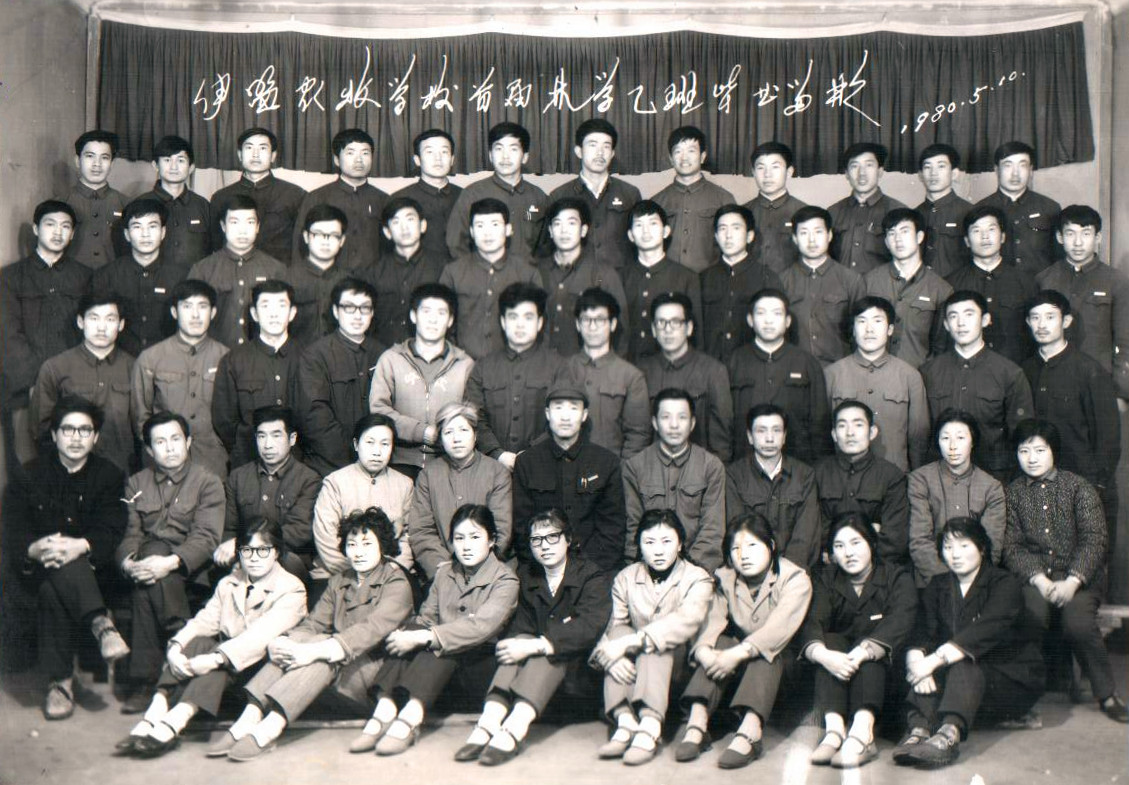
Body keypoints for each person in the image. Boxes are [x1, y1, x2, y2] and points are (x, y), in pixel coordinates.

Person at [219, 508, 415, 760]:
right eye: (352, 544)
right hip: (330, 673)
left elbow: (370, 630)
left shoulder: (396, 582)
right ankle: (250, 716)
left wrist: (313, 651)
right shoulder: (340, 580)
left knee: (322, 650)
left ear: (383, 546)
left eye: (367, 544)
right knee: (307, 641)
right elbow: (313, 624)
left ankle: (269, 729)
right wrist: (284, 642)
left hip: (369, 677)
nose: (358, 551)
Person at [113, 519, 306, 758]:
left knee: (219, 658)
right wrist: (176, 647)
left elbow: (257, 639)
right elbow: (205, 620)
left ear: (276, 552)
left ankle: (174, 722)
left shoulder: (291, 589)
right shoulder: (230, 582)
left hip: (256, 671)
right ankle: (154, 713)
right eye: (247, 550)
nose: (254, 558)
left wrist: (214, 659)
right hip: (226, 665)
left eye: (262, 550)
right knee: (197, 642)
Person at [455, 509, 612, 766]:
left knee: (547, 650)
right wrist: (522, 644)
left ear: (568, 539)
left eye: (552, 537)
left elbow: (589, 627)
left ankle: (512, 730)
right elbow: (521, 625)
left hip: (578, 679)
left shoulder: (591, 576)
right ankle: (488, 723)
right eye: (536, 540)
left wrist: (539, 645)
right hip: (534, 684)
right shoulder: (528, 575)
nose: (544, 546)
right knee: (516, 645)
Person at [364, 505, 520, 756]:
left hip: (478, 667)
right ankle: (384, 709)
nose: (466, 546)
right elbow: (427, 617)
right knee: (413, 628)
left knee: (442, 641)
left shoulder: (505, 580)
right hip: (437, 672)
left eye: (475, 537)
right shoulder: (445, 572)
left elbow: (480, 627)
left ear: (491, 540)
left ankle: (409, 720)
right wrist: (412, 634)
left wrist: (427, 637)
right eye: (459, 538)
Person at [9, 400, 129, 720]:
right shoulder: (30, 474)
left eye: (85, 430)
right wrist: (33, 549)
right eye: (68, 430)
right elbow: (12, 527)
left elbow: (112, 527)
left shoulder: (109, 475)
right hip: (39, 567)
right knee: (51, 578)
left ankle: (59, 684)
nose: (76, 438)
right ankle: (101, 625)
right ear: (54, 435)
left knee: (56, 582)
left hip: (93, 570)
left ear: (96, 437)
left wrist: (82, 545)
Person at [892, 517, 1044, 769]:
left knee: (964, 661)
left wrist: (933, 661)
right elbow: (923, 631)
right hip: (960, 687)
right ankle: (919, 729)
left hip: (1009, 681)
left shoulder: (1004, 583)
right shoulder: (938, 585)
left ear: (982, 548)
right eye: (948, 547)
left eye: (964, 545)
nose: (955, 554)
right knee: (931, 667)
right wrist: (918, 664)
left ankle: (948, 735)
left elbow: (985, 630)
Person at [1003, 419, 1128, 724]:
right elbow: (1011, 546)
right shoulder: (1012, 494)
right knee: (1031, 616)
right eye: (1024, 451)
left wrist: (1072, 581)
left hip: (1079, 579)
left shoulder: (1078, 487)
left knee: (1078, 624)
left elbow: (1094, 539)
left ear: (1053, 451)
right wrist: (1039, 580)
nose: (1031, 458)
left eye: (1040, 450)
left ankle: (1107, 694)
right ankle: (1023, 694)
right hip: (1034, 579)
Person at [675, 512, 812, 769]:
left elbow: (777, 631)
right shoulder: (724, 577)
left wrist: (735, 655)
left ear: (771, 546)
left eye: (752, 546)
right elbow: (711, 621)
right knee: (720, 642)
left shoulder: (795, 578)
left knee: (765, 652)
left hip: (781, 670)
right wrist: (705, 652)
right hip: (735, 670)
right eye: (735, 548)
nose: (743, 555)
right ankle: (696, 724)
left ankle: (750, 732)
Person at [115, 412, 225, 712]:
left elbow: (206, 538)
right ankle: (179, 656)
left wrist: (167, 564)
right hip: (148, 570)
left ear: (188, 442)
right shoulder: (136, 484)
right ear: (149, 450)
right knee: (149, 568)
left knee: (151, 569)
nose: (170, 447)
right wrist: (129, 564)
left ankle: (145, 682)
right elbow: (129, 533)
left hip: (192, 572)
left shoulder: (208, 482)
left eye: (176, 439)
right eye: (160, 442)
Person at [590, 509, 713, 766]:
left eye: (666, 541)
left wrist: (632, 642)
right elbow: (611, 628)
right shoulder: (626, 577)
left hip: (678, 670)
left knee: (656, 640)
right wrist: (611, 659)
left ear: (680, 544)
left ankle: (649, 727)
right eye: (649, 542)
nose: (658, 551)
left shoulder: (697, 577)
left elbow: (687, 621)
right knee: (619, 633)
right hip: (636, 672)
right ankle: (625, 723)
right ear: (639, 545)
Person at [800, 513, 917, 768]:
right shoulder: (825, 578)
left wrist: (865, 651)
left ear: (872, 543)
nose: (848, 553)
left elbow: (901, 620)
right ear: (831, 552)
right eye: (839, 546)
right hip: (839, 675)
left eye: (856, 543)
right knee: (830, 641)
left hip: (883, 681)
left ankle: (863, 734)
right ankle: (834, 731)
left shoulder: (897, 576)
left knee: (870, 648)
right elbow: (813, 620)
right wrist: (823, 655)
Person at [1022, 289, 1121, 544]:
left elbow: (1108, 439)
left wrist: (1094, 487)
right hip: (1035, 488)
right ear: (1028, 322)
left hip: (1081, 485)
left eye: (1050, 317)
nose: (1041, 325)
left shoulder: (1089, 371)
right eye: (1035, 318)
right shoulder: (1023, 371)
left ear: (1066, 321)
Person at [1, 200, 91, 466]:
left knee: (75, 461)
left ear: (73, 234)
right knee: (27, 463)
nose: (58, 232)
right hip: (24, 389)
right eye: (50, 224)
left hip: (74, 386)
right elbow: (7, 335)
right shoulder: (10, 277)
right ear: (36, 229)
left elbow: (89, 332)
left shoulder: (85, 277)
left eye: (66, 226)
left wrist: (76, 379)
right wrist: (36, 383)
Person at [512, 381, 626, 574]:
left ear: (584, 415)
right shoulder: (527, 462)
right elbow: (522, 529)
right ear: (547, 413)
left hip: (595, 572)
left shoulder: (606, 462)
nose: (565, 416)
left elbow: (612, 531)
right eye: (558, 408)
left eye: (573, 408)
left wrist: (584, 574)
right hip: (541, 571)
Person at [921, 290, 1034, 481]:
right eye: (953, 316)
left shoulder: (1009, 373)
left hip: (993, 476)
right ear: (946, 325)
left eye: (969, 314)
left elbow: (1022, 434)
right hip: (940, 477)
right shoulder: (928, 372)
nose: (961, 323)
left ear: (985, 320)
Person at [368, 283, 474, 476]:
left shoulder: (464, 364)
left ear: (450, 320)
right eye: (426, 311)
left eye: (441, 313)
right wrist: (422, 432)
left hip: (450, 465)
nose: (433, 319)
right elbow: (379, 410)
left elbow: (473, 416)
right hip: (397, 463)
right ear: (413, 316)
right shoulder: (391, 359)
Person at [131, 279, 230, 478]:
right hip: (162, 466)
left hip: (213, 462)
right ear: (174, 312)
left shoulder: (227, 358)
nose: (195, 315)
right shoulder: (150, 358)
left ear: (213, 313)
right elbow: (141, 417)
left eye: (202, 306)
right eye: (187, 306)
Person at [622, 388, 726, 572]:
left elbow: (712, 531)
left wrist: (688, 573)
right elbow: (633, 529)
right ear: (655, 423)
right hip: (648, 569)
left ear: (692, 423)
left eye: (682, 417)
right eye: (666, 417)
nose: (674, 425)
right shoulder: (635, 467)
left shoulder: (711, 466)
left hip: (697, 571)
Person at [31, 293, 136, 473]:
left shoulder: (135, 368)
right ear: (80, 322)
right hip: (68, 476)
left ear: (121, 325)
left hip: (121, 473)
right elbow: (42, 429)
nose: (101, 327)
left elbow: (143, 428)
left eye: (110, 319)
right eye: (94, 318)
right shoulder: (55, 368)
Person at [824, 296, 930, 472]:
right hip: (844, 477)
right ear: (853, 329)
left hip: (896, 477)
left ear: (890, 329)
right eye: (862, 321)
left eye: (877, 321)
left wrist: (916, 478)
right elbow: (822, 433)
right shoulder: (832, 374)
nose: (869, 329)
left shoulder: (910, 376)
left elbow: (919, 436)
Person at [215, 407, 321, 582]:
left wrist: (252, 548)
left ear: (292, 439)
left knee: (288, 562)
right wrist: (241, 556)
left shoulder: (309, 479)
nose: (268, 445)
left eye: (276, 435)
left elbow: (299, 531)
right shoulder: (238, 477)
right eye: (261, 436)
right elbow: (229, 528)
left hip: (286, 558)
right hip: (243, 556)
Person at [409, 402, 512, 581]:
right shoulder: (428, 475)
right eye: (448, 432)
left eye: (463, 430)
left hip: (489, 574)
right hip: (441, 573)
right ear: (440, 439)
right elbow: (421, 531)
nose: (456, 438)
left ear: (475, 435)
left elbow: (501, 529)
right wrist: (445, 571)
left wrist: (477, 571)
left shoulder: (497, 472)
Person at [1035, 204, 1129, 401]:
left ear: (1098, 238)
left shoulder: (1116, 281)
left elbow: (1125, 341)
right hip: (1053, 382)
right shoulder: (1044, 279)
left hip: (1100, 383)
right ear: (1060, 237)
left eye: (1086, 234)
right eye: (1070, 234)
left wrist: (1121, 392)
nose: (1078, 242)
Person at [296, 277, 385, 477]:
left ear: (372, 313)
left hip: (377, 465)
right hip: (328, 467)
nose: (357, 315)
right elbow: (315, 417)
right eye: (349, 307)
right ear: (336, 311)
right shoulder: (315, 355)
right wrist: (354, 456)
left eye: (364, 308)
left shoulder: (384, 355)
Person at [464, 282, 561, 468]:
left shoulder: (558, 367)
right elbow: (473, 417)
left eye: (528, 317)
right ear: (503, 322)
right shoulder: (483, 367)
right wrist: (498, 454)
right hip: (491, 467)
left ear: (540, 322)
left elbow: (564, 418)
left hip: (545, 466)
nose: (520, 325)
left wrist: (531, 454)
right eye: (513, 317)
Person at [727, 288, 829, 463]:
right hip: (744, 464)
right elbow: (724, 421)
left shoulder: (806, 363)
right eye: (761, 313)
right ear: (750, 320)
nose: (768, 320)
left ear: (787, 321)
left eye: (776, 313)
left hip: (798, 464)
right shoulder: (734, 362)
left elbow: (819, 423)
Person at [907, 410, 1006, 587]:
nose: (952, 446)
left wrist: (970, 584)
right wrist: (947, 583)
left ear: (972, 441)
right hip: (931, 581)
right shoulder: (920, 480)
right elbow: (919, 541)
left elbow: (991, 546)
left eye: (960, 438)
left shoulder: (992, 487)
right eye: (945, 438)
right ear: (937, 441)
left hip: (977, 583)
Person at [311, 414, 415, 580]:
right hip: (339, 573)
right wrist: (357, 575)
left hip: (390, 575)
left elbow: (408, 538)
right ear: (356, 444)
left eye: (385, 444)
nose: (377, 452)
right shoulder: (335, 482)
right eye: (370, 442)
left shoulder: (405, 484)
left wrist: (389, 572)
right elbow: (326, 539)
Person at [211, 280, 300, 469]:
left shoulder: (309, 358)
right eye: (265, 306)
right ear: (254, 314)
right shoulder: (234, 360)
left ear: (292, 313)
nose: (274, 314)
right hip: (249, 464)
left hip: (299, 466)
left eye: (281, 305)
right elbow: (224, 421)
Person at [440, 198, 543, 359]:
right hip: (462, 363)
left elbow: (540, 326)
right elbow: (441, 321)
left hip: (514, 364)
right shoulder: (453, 272)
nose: (487, 233)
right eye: (480, 226)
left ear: (508, 230)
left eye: (495, 224)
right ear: (472, 232)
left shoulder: (528, 273)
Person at [636, 293, 732, 462]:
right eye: (661, 323)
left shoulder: (713, 371)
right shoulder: (641, 371)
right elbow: (638, 433)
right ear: (653, 330)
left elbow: (721, 440)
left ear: (689, 328)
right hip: (652, 470)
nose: (668, 329)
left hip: (699, 470)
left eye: (675, 322)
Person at [725, 404, 821, 570]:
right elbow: (738, 532)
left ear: (784, 436)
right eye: (761, 431)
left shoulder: (805, 475)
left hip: (794, 570)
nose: (769, 438)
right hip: (750, 568)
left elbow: (806, 535)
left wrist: (787, 572)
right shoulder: (734, 475)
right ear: (750, 436)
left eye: (776, 431)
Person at [814, 401, 910, 565]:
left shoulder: (891, 476)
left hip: (878, 569)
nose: (850, 433)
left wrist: (858, 561)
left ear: (872, 432)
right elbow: (814, 529)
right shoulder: (817, 474)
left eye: (858, 425)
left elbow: (895, 539)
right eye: (842, 426)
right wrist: (870, 531)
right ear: (834, 434)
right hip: (829, 567)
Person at [188, 194, 288, 349]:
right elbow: (190, 322)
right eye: (234, 222)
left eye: (250, 222)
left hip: (261, 357)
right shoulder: (202, 270)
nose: (242, 230)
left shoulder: (276, 270)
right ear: (223, 226)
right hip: (215, 357)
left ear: (257, 227)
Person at [93, 197, 188, 357]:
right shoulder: (106, 276)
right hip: (118, 363)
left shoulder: (181, 276)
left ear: (163, 232)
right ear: (127, 234)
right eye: (137, 227)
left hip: (168, 362)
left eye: (152, 226)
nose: (145, 234)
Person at [535, 198, 630, 356]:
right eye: (557, 224)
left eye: (571, 223)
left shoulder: (604, 274)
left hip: (587, 367)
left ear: (584, 230)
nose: (564, 231)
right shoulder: (536, 271)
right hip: (544, 366)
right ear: (550, 231)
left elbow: (622, 330)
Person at [946, 204, 1039, 364]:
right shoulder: (951, 284)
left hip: (1015, 369)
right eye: (976, 231)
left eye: (991, 229)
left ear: (1002, 237)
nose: (985, 237)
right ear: (967, 241)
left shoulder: (1026, 282)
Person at [544, 118, 641, 269]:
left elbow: (639, 245)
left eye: (606, 146)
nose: (600, 152)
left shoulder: (630, 194)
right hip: (574, 279)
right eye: (593, 145)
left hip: (620, 280)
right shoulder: (558, 196)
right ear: (579, 151)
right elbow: (549, 249)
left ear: (612, 153)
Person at [864, 208, 953, 369]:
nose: (898, 239)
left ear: (919, 237)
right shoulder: (868, 282)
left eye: (904, 231)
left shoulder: (940, 289)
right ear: (886, 242)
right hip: (872, 375)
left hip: (918, 375)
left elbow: (941, 347)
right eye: (891, 233)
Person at [779, 205, 866, 366]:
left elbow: (860, 333)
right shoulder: (782, 281)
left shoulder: (851, 280)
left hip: (840, 371)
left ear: (829, 235)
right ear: (795, 238)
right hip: (794, 369)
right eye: (804, 233)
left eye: (818, 232)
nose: (811, 240)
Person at [290, 128, 388, 270]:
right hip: (327, 278)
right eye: (350, 153)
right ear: (337, 160)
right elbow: (299, 244)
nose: (359, 159)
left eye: (365, 153)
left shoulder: (384, 199)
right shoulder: (317, 197)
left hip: (372, 279)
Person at [447, 121, 548, 259]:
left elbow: (546, 246)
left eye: (513, 149)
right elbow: (455, 243)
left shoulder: (538, 196)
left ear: (525, 157)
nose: (505, 156)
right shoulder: (472, 194)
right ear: (490, 155)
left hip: (528, 271)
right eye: (499, 148)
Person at [210, 127, 306, 264]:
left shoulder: (295, 195)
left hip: (280, 273)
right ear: (240, 155)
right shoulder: (221, 197)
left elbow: (302, 245)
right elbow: (216, 244)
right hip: (234, 272)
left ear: (273, 156)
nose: (255, 154)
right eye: (249, 148)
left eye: (262, 148)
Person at [621, 200, 702, 362]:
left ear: (666, 231)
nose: (646, 231)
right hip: (626, 368)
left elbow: (696, 337)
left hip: (671, 368)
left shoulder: (687, 277)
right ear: (630, 235)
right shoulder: (619, 277)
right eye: (639, 225)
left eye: (653, 224)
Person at [699, 204, 782, 362]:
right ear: (716, 236)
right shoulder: (702, 278)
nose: (728, 235)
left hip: (753, 366)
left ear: (750, 236)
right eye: (722, 229)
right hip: (710, 366)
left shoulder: (768, 278)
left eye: (736, 228)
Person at [367, 197, 448, 347]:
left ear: (423, 225)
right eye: (396, 222)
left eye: (410, 219)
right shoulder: (374, 272)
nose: (404, 228)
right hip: (384, 351)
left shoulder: (443, 267)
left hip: (428, 351)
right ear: (387, 232)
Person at [652, 126, 735, 273]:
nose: (684, 157)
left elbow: (734, 248)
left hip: (709, 281)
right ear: (671, 159)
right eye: (678, 151)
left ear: (702, 156)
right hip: (667, 280)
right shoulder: (657, 202)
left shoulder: (724, 199)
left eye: (691, 150)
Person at [973, 141, 1061, 274]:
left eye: (1022, 165)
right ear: (997, 170)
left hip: (1040, 284)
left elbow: (1059, 259)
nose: (1015, 173)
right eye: (1008, 165)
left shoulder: (1050, 207)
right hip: (996, 284)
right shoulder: (979, 209)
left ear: (1031, 170)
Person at [828, 143, 907, 275]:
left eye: (869, 165)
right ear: (846, 174)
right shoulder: (832, 212)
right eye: (855, 166)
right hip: (840, 286)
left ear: (880, 171)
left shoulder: (899, 212)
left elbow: (906, 264)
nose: (862, 173)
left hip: (881, 287)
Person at [286, 204, 354, 351]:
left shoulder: (350, 282)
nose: (325, 241)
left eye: (333, 235)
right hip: (297, 358)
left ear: (342, 240)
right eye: (318, 234)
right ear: (306, 237)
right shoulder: (287, 278)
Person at [58, 130, 127, 269]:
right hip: (71, 279)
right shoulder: (60, 203)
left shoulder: (126, 204)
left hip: (113, 279)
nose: (97, 164)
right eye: (90, 156)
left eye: (104, 158)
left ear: (112, 163)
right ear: (77, 161)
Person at [392, 129, 462, 263]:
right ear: (417, 160)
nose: (438, 158)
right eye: (429, 152)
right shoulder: (399, 199)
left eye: (444, 152)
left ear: (452, 159)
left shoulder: (467, 196)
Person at [147, 135, 213, 268]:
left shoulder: (203, 206)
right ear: (155, 165)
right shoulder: (141, 204)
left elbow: (213, 252)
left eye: (181, 160)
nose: (174, 167)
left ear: (191, 167)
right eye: (167, 160)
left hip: (195, 280)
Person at [744, 141, 807, 275]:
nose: (767, 174)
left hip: (791, 286)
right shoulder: (741, 213)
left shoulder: (805, 213)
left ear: (789, 172)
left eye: (775, 167)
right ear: (753, 172)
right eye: (761, 168)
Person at [914, 143, 972, 279]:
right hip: (920, 288)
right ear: (920, 175)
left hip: (958, 288)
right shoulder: (913, 215)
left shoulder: (970, 212)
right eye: (927, 167)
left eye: (941, 166)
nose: (933, 173)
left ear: (954, 174)